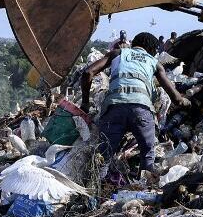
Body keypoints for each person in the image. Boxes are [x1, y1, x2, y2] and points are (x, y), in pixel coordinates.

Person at [81, 32, 190, 173]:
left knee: (103, 158)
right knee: (148, 157)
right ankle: (143, 189)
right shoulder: (154, 62)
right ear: (152, 50)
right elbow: (177, 99)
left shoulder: (117, 54)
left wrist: (85, 103)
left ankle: (95, 191)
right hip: (142, 110)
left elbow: (87, 73)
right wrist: (188, 102)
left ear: (134, 44)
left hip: (114, 108)